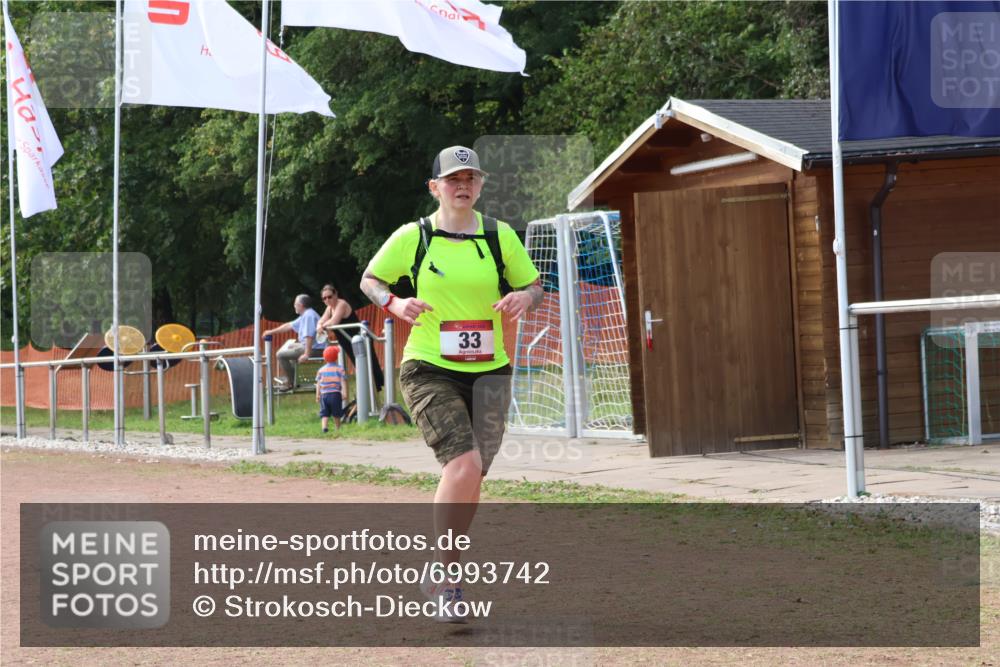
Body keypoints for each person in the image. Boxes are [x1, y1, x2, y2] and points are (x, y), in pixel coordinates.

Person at [360, 145, 543, 622]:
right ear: (434, 187)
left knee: (472, 474)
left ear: (480, 185)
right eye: (453, 179)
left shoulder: (498, 235)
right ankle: (447, 581)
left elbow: (535, 285)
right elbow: (370, 280)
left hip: (490, 370)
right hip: (429, 367)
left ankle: (446, 570)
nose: (463, 186)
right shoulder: (413, 236)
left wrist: (524, 297)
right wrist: (395, 305)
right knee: (462, 463)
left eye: (472, 178)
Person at [316, 283, 385, 391]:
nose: (327, 300)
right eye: (324, 298)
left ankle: (374, 392)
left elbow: (334, 321)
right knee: (359, 367)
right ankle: (367, 393)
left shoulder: (341, 304)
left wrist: (322, 326)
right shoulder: (329, 308)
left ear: (336, 295)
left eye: (329, 297)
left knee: (369, 365)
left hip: (359, 339)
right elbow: (321, 320)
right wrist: (319, 325)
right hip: (348, 341)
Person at [262, 294, 323, 390]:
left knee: (280, 355)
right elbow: (289, 326)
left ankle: (291, 382)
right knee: (290, 346)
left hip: (315, 349)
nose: (294, 306)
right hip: (312, 346)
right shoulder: (305, 315)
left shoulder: (309, 316)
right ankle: (293, 377)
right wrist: (271, 332)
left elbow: (309, 336)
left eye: (295, 304)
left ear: (300, 305)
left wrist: (306, 354)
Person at [316, 345, 347, 433]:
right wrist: (344, 393)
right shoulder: (340, 369)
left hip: (324, 394)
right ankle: (337, 428)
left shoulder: (321, 370)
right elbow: (343, 381)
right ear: (336, 357)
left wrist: (317, 395)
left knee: (324, 413)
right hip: (335, 394)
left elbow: (318, 383)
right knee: (336, 413)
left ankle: (324, 427)